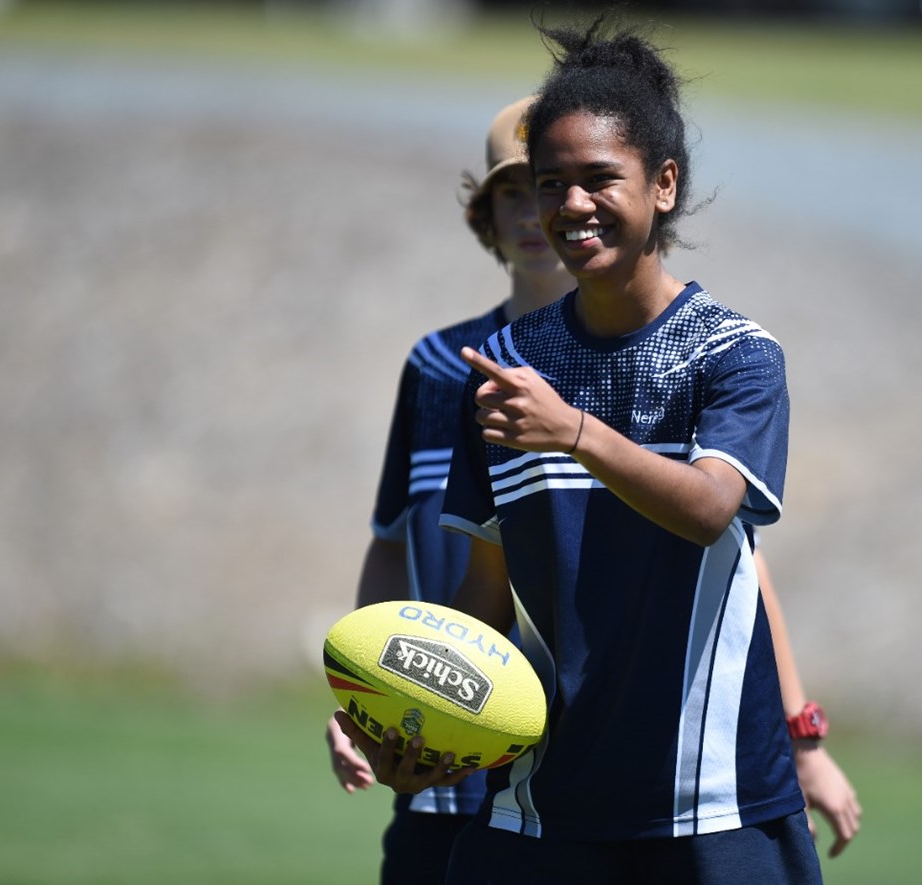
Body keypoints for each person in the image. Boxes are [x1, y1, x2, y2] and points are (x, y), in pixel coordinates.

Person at [336, 14, 835, 883]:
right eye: (549, 183)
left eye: (599, 178)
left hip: (712, 805)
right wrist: (417, 718)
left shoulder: (733, 354)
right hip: (542, 807)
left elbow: (710, 508)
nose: (570, 205)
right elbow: (485, 591)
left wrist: (570, 429)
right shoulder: (502, 369)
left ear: (664, 184)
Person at [324, 96, 571, 885]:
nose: (530, 213)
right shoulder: (438, 366)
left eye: (547, 187)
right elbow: (391, 541)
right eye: (510, 193)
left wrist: (800, 735)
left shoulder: (622, 368)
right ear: (484, 213)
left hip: (575, 785)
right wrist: (364, 697)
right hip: (439, 768)